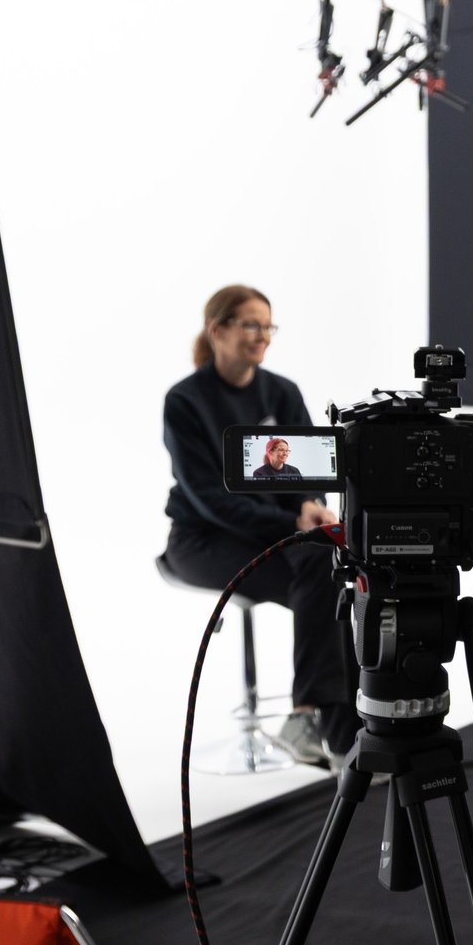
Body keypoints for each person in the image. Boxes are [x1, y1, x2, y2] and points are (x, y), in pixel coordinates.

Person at [161, 286, 353, 768]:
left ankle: (318, 725)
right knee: (326, 588)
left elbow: (308, 475)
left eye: (267, 326)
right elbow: (208, 500)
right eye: (250, 324)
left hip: (274, 534)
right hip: (202, 539)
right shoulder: (185, 401)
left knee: (327, 575)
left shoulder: (282, 392)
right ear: (217, 330)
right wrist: (292, 519)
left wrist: (311, 504)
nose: (262, 335)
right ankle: (337, 734)